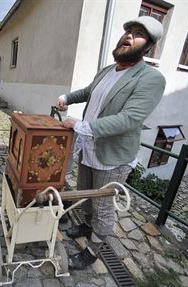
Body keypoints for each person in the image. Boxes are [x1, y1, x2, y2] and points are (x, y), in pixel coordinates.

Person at [56, 16, 166, 270]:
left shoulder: (150, 78)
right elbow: (89, 91)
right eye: (128, 31)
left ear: (148, 46)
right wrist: (67, 97)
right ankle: (84, 226)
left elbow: (129, 119)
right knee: (85, 194)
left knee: (103, 206)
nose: (129, 36)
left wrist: (81, 126)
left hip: (113, 157)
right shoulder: (108, 70)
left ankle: (92, 251)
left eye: (138, 34)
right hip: (89, 147)